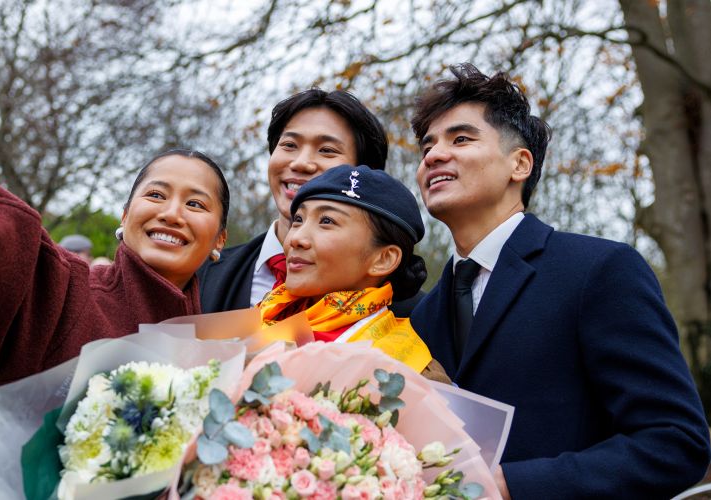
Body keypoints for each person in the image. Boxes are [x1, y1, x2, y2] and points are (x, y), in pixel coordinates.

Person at [0, 7, 229, 391]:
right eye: (155, 194)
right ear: (126, 213)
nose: (171, 213)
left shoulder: (228, 344)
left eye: (195, 204)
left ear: (220, 238)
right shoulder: (63, 295)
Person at [408, 63, 710, 498]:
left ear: (520, 164)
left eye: (460, 139)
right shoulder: (423, 315)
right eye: (426, 146)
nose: (433, 155)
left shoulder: (599, 270)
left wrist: (514, 484)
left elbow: (676, 442)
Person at [197, 89, 422, 317]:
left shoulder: (415, 314)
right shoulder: (199, 275)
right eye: (289, 145)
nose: (301, 163)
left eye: (326, 150)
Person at [257, 165, 448, 381]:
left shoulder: (406, 371)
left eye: (326, 221)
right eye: (298, 220)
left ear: (383, 259)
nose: (295, 239)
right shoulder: (261, 316)